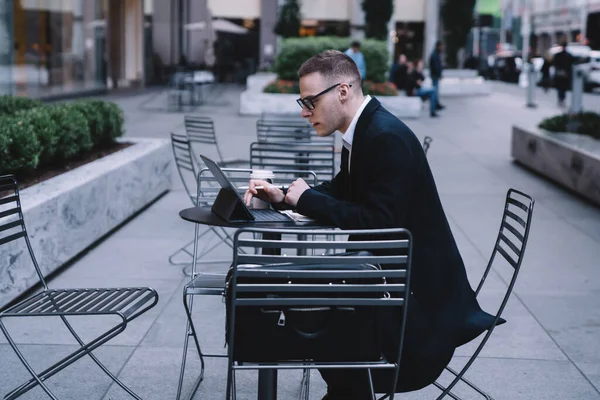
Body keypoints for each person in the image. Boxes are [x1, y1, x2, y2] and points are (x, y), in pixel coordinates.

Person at [244, 50, 499, 400]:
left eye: (310, 102)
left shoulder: (384, 138)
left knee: (306, 306)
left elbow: (380, 223)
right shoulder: (363, 131)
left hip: (417, 317)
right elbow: (343, 190)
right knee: (304, 296)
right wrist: (285, 194)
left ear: (343, 91)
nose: (305, 112)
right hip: (384, 284)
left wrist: (305, 200)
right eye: (301, 102)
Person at [553, 40, 574, 107]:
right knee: (561, 88)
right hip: (561, 74)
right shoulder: (563, 55)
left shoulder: (567, 56)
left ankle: (562, 99)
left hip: (564, 74)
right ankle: (561, 99)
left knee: (562, 88)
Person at [428, 40, 446, 110]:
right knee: (434, 91)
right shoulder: (435, 55)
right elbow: (435, 67)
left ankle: (436, 104)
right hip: (435, 76)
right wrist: (438, 74)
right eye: (441, 46)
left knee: (435, 91)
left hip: (435, 75)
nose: (442, 48)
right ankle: (434, 106)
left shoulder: (436, 54)